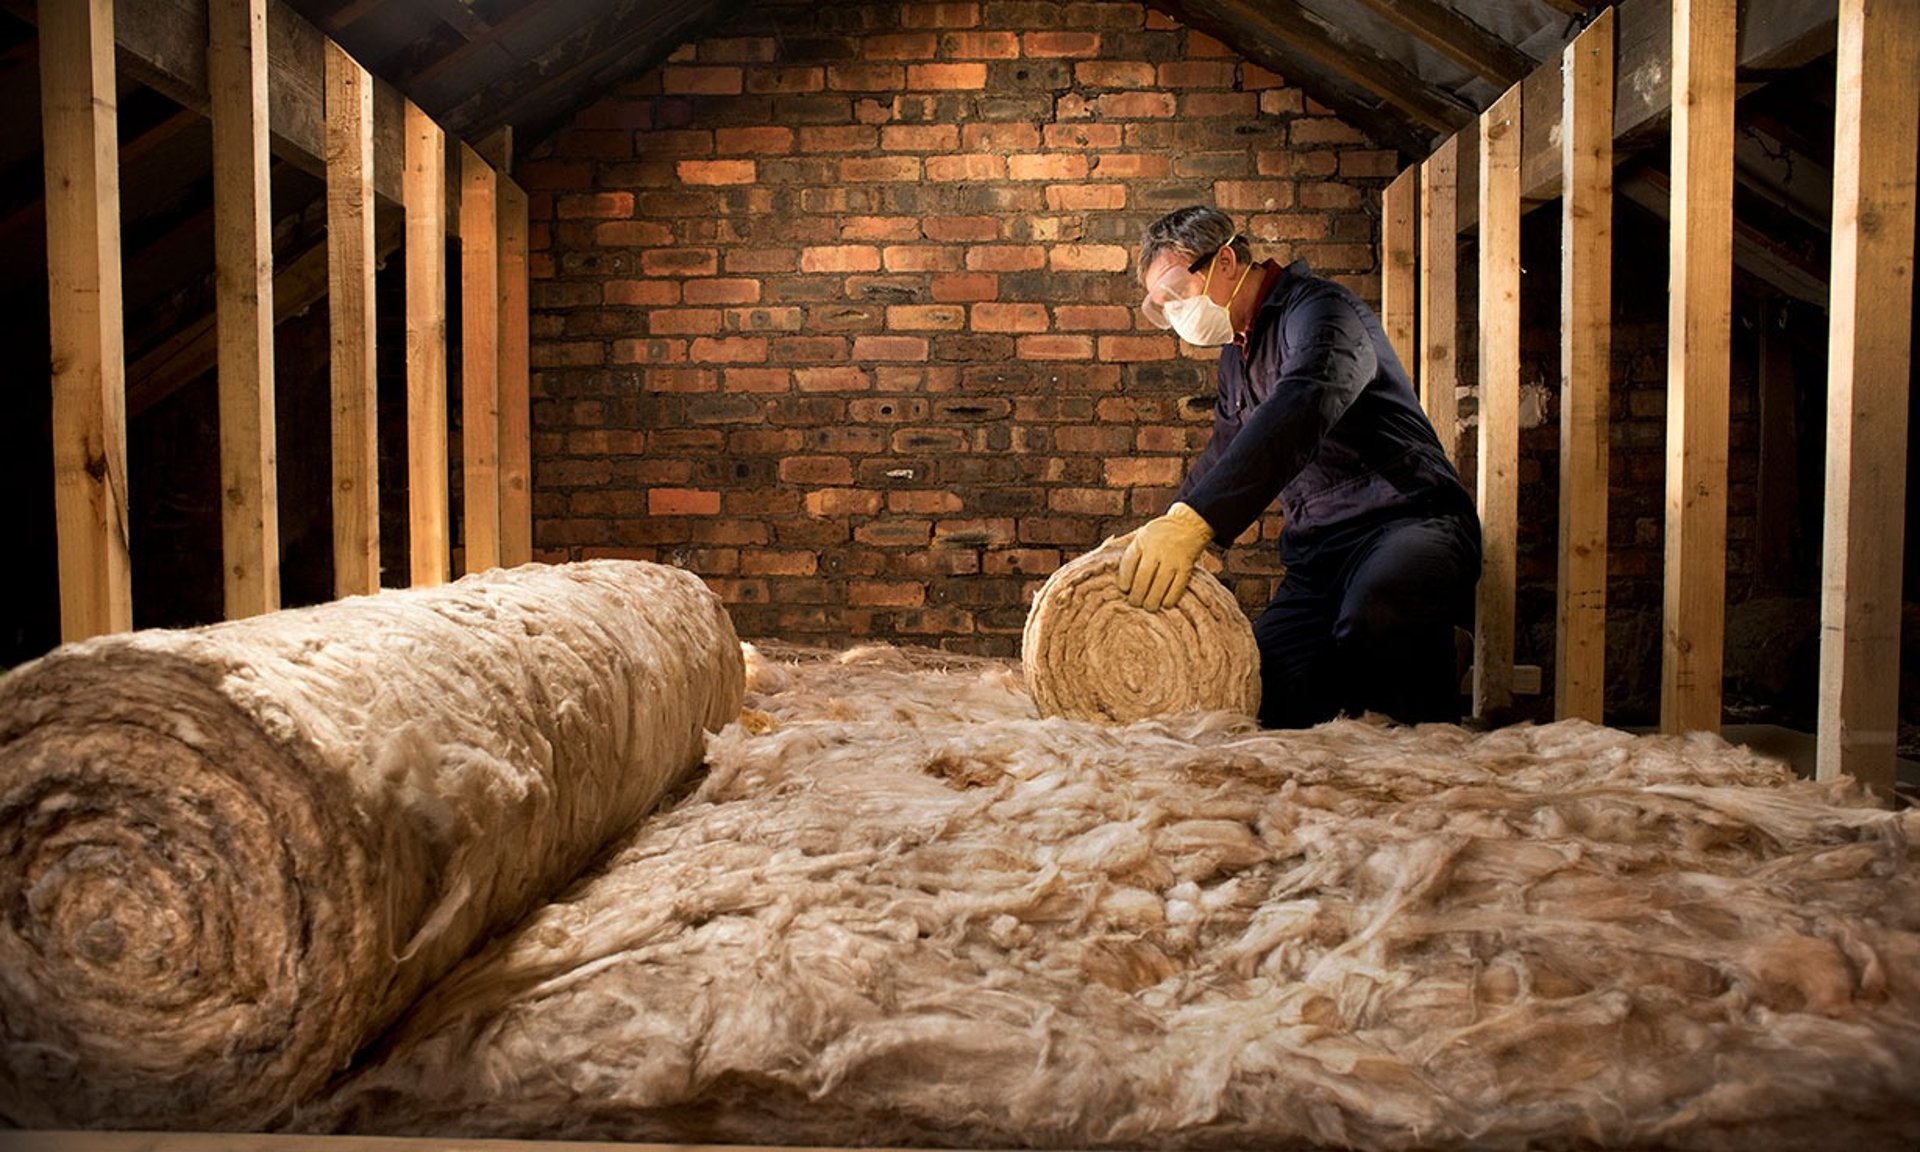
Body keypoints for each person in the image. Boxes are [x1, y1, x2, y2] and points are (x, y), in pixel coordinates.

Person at [1118, 205, 1482, 729]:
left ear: (1225, 261)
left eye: (1177, 290)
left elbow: (1306, 398)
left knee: (1375, 620)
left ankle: (1438, 650)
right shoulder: (1235, 356)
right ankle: (1387, 663)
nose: (1175, 311)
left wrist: (1197, 522)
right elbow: (1226, 448)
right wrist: (1168, 523)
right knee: (1271, 693)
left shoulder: (1322, 311)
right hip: (1321, 555)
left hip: (1409, 522)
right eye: (1162, 305)